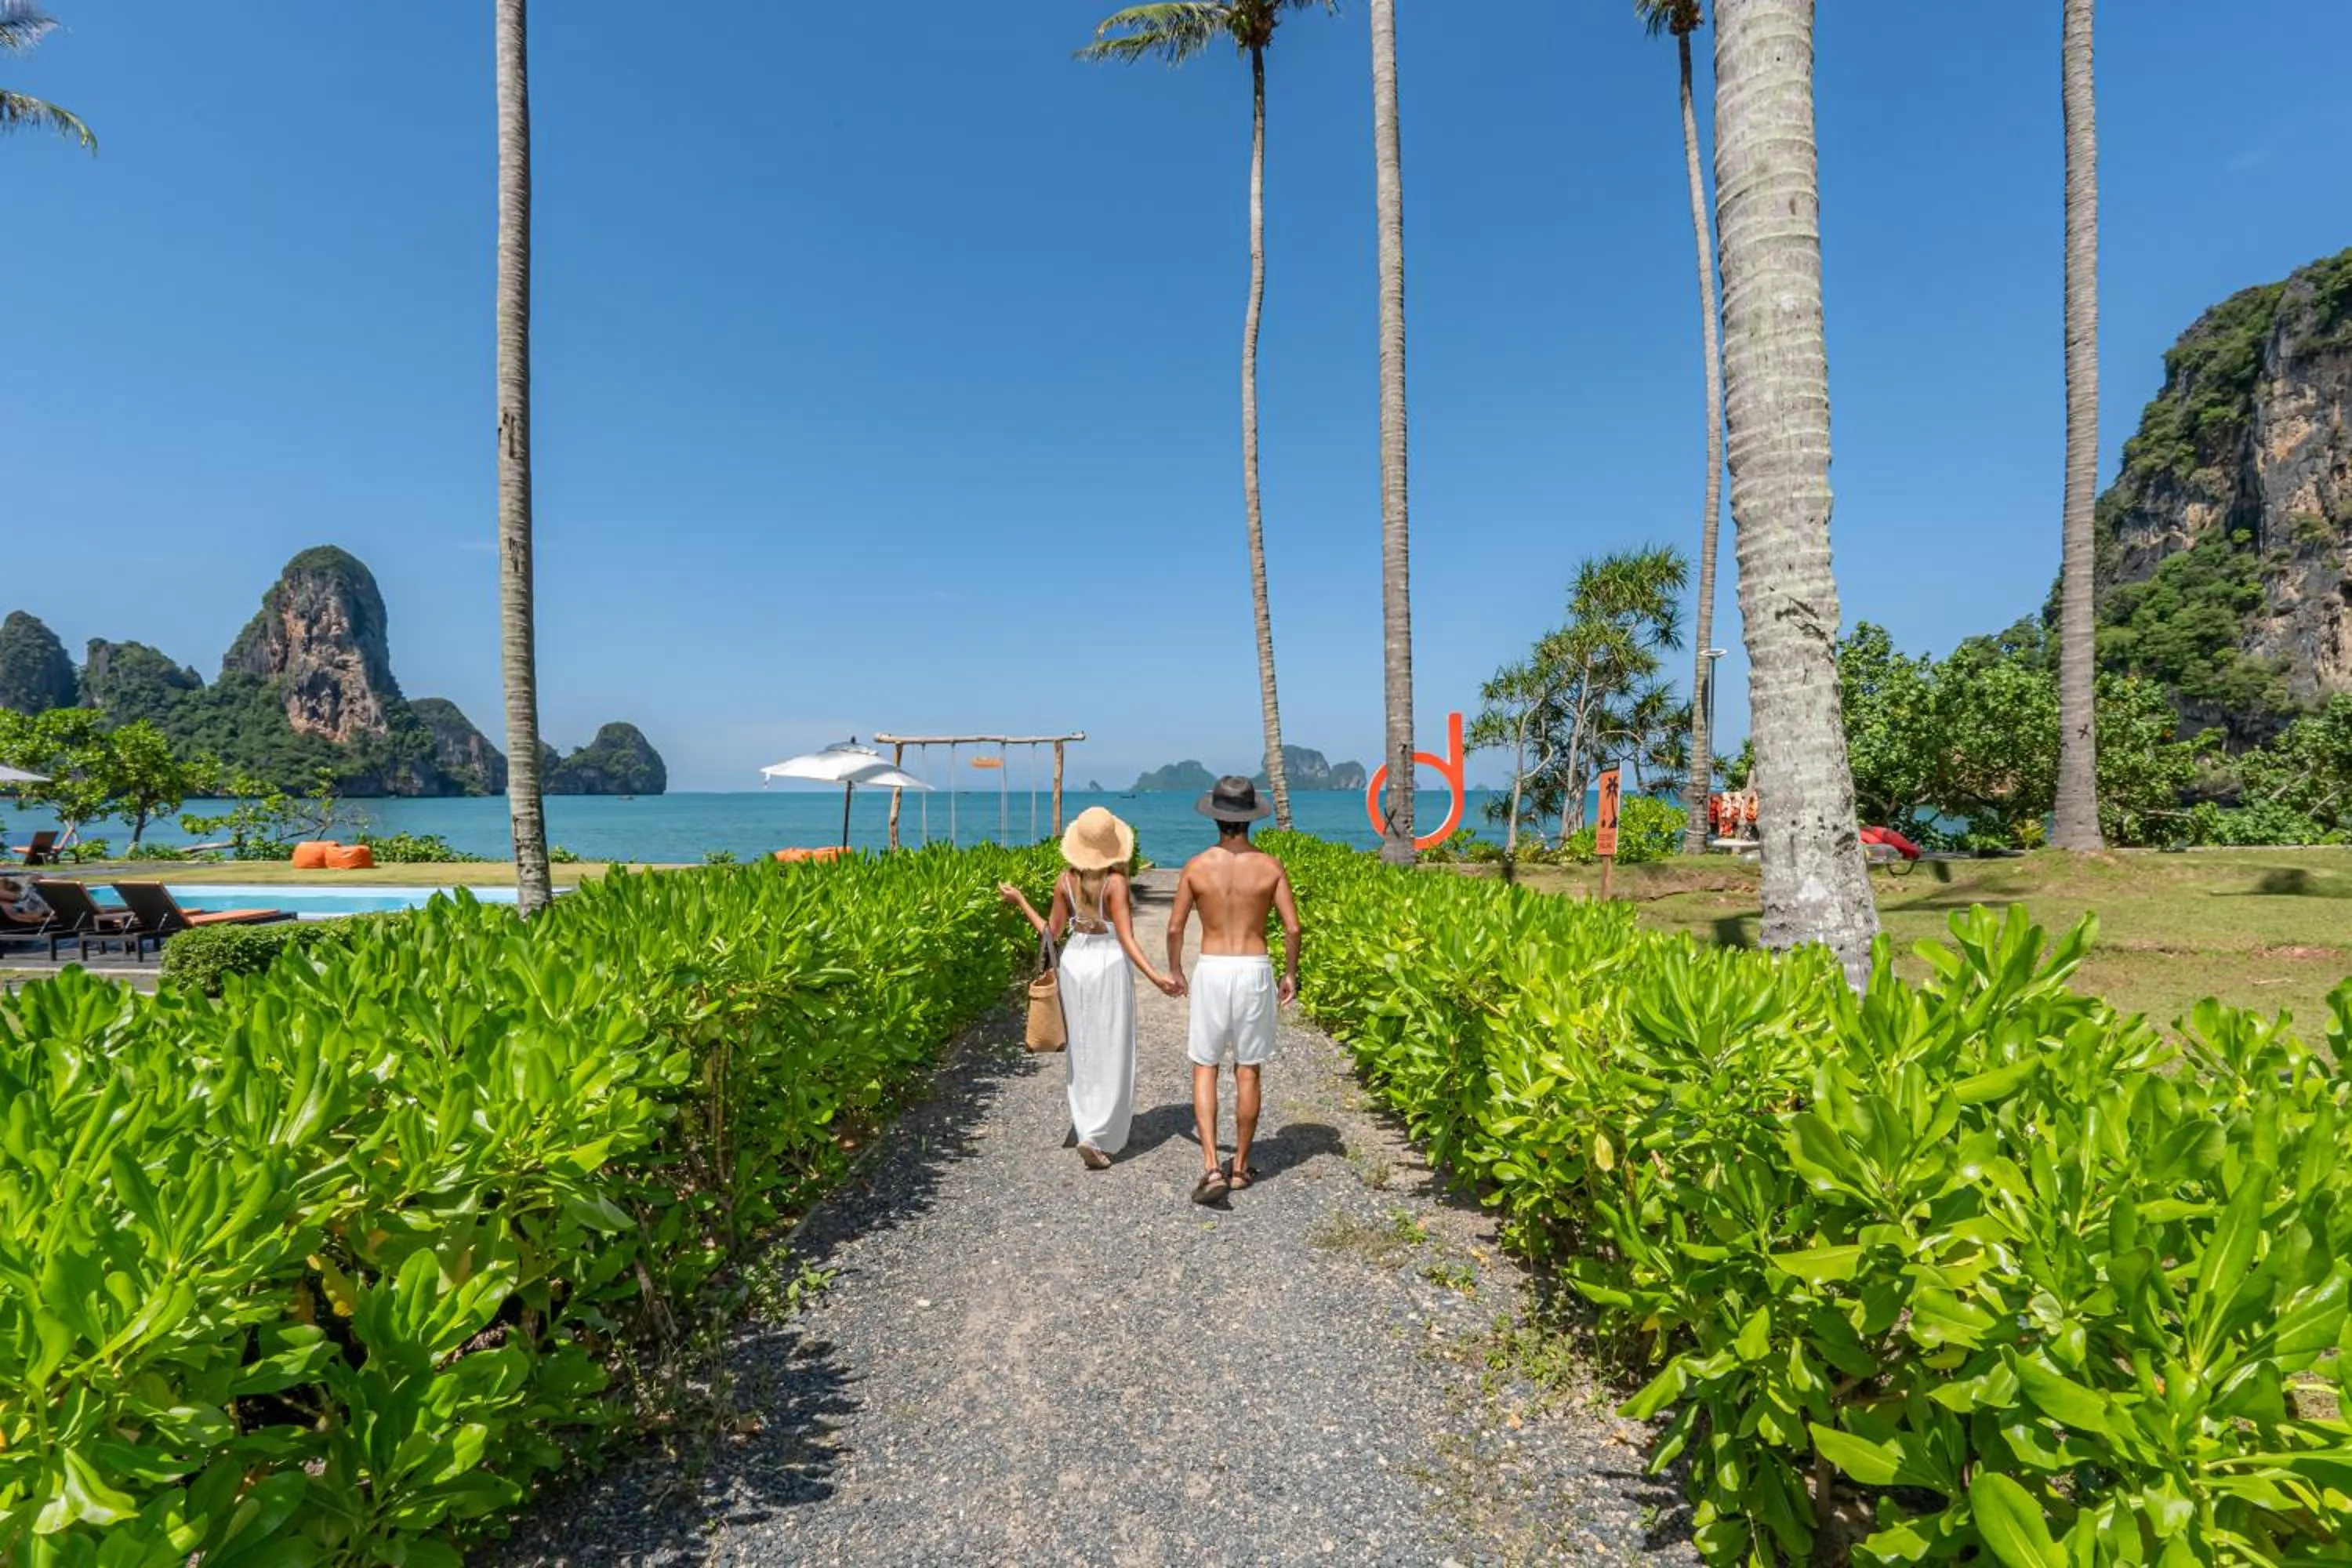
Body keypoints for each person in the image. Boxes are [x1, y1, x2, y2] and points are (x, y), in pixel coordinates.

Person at [1000, 807, 1178, 1169]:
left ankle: (1086, 1126)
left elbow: (1050, 933)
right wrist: (1156, 977)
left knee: (1081, 1048)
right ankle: (1100, 1134)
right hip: (1108, 962)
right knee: (1112, 1047)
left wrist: (1020, 901)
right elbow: (1126, 940)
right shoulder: (1115, 884)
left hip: (1075, 962)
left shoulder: (1065, 880)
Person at [1166, 776, 1300, 1205]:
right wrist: (1290, 973)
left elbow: (1175, 928)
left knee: (1205, 1066)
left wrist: (1176, 970)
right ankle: (1239, 1168)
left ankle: (1211, 1167)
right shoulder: (1270, 866)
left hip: (1213, 968)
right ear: (1250, 818)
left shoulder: (1196, 866)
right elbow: (1293, 928)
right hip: (1254, 968)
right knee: (1248, 1069)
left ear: (1216, 817)